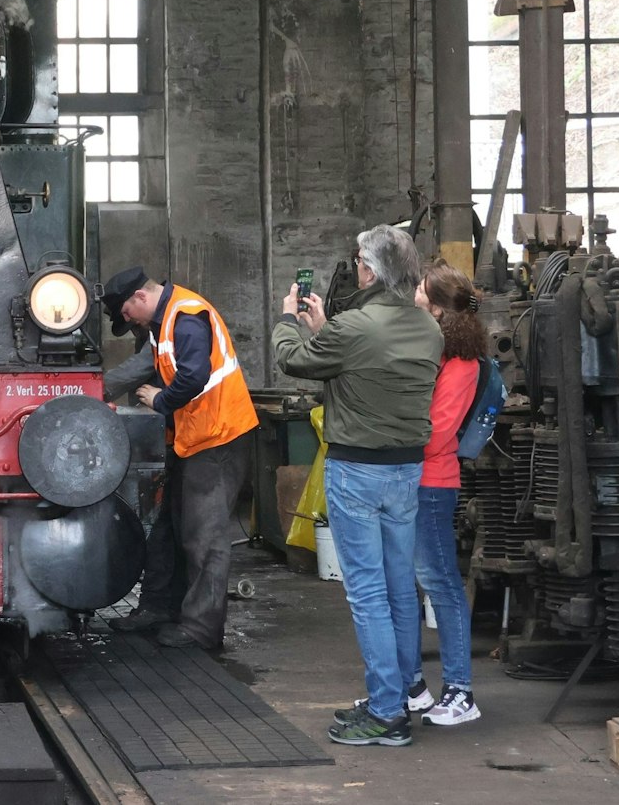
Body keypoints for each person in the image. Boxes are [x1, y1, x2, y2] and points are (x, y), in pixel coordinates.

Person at [274, 225, 441, 747]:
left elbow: (295, 360)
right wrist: (326, 326)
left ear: (369, 270)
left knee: (367, 593)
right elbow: (358, 357)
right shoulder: (428, 330)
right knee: (398, 588)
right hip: (405, 472)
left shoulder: (354, 327)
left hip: (358, 474)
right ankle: (403, 692)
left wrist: (288, 319)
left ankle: (388, 713)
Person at [97, 266, 259, 651]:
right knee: (169, 528)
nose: (127, 322)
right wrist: (92, 390)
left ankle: (201, 629)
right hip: (190, 439)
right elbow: (144, 366)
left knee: (205, 538)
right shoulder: (161, 324)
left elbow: (194, 376)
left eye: (125, 314)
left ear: (140, 297)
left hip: (218, 438)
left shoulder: (186, 316)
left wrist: (160, 400)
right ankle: (158, 608)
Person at [406, 262, 485, 726]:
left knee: (441, 586)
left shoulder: (460, 365)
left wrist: (391, 432)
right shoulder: (437, 353)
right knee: (409, 584)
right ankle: (413, 688)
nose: (413, 293)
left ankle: (460, 691)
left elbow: (437, 435)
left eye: (420, 289)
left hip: (432, 484)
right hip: (411, 479)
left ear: (436, 307)